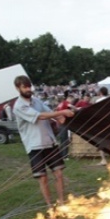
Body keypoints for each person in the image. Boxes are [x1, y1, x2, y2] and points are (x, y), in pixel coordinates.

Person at [12, 75, 74, 207]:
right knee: (43, 178)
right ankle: (50, 206)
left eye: (29, 86)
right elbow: (40, 116)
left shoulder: (36, 101)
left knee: (59, 173)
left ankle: (61, 203)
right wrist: (61, 112)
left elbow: (49, 112)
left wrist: (59, 118)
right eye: (24, 87)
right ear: (18, 88)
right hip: (34, 146)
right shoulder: (19, 106)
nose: (28, 89)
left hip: (50, 142)